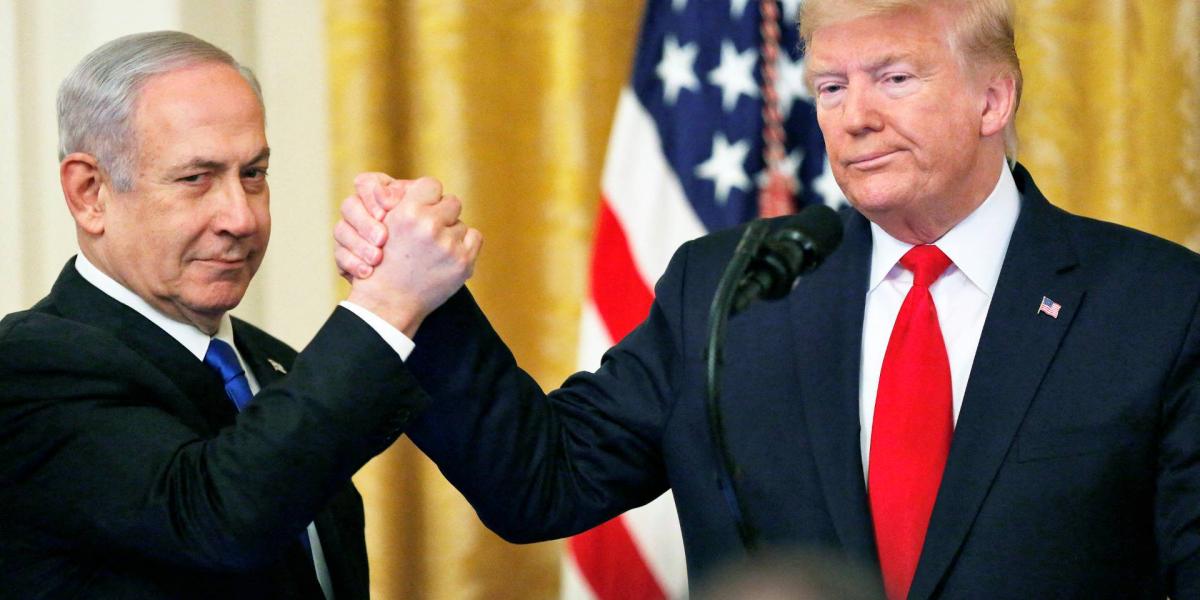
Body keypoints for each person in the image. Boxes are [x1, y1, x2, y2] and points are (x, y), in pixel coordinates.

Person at [335, 0, 1200, 598]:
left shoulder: (1157, 303)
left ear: (992, 96)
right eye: (830, 86)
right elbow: (543, 482)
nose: (853, 115)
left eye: (894, 78)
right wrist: (421, 300)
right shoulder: (727, 293)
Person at [0, 32, 479, 599]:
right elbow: (219, 520)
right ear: (90, 193)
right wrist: (384, 306)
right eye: (195, 178)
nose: (241, 218)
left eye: (253, 174)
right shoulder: (31, 364)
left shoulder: (269, 363)